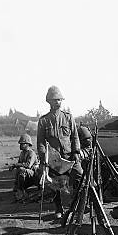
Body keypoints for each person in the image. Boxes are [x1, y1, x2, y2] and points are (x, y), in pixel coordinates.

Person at [36, 86, 82, 221]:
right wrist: (43, 157)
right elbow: (40, 142)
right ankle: (59, 208)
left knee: (80, 177)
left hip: (69, 156)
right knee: (55, 184)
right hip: (54, 158)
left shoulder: (68, 118)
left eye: (60, 100)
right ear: (49, 101)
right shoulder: (44, 120)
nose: (58, 102)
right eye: (55, 100)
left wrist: (76, 152)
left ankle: (76, 206)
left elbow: (74, 137)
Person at [10, 134, 39, 201]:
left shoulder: (31, 153)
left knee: (21, 170)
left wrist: (17, 165)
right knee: (19, 169)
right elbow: (19, 163)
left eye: (22, 144)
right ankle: (19, 188)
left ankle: (22, 191)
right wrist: (14, 166)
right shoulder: (22, 153)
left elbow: (28, 165)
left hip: (34, 174)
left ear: (27, 144)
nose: (20, 145)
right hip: (27, 174)